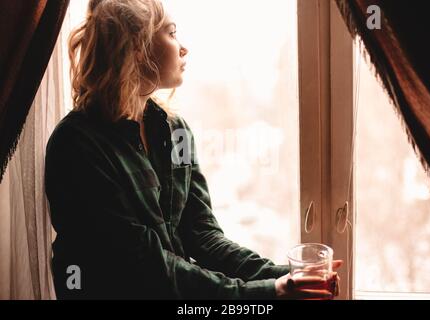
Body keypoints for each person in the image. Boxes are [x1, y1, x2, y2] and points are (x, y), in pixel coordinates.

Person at [45, 0, 341, 300]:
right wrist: (269, 292)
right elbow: (145, 267)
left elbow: (202, 234)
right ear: (137, 46)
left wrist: (287, 275)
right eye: (172, 33)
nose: (183, 48)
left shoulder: (176, 132)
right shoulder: (77, 145)